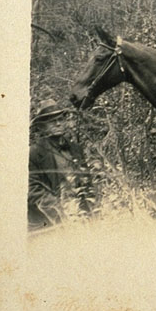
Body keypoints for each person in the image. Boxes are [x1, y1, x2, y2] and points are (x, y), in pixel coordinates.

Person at [28, 99, 91, 230]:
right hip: (49, 222)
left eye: (60, 120)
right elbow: (33, 191)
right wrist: (61, 215)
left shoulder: (76, 149)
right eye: (52, 121)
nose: (57, 124)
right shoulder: (33, 154)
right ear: (42, 127)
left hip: (81, 216)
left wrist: (91, 212)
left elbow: (87, 182)